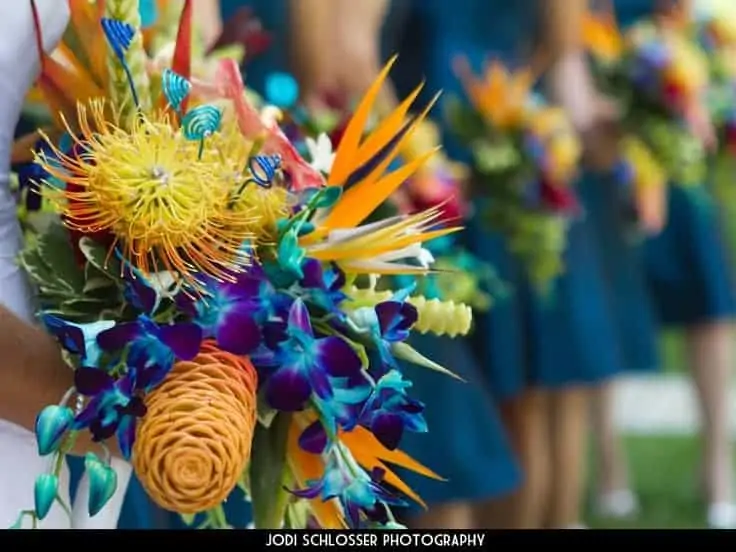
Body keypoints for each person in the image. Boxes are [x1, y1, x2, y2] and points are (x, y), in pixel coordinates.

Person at [588, 0, 736, 529]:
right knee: (599, 295)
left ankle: (718, 467)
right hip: (603, 118)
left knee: (711, 300)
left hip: (675, 137)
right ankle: (609, 466)